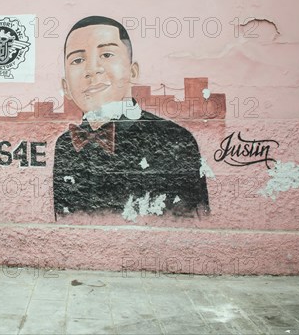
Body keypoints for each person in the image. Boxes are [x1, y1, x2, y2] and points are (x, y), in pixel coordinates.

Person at [53, 16, 209, 218]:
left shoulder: (174, 138)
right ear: (66, 87)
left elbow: (190, 223)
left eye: (107, 54)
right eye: (78, 60)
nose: (92, 69)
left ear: (132, 72)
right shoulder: (65, 145)